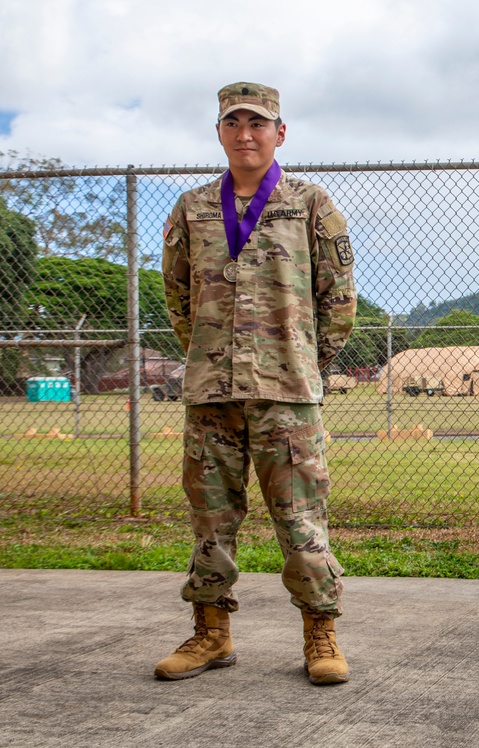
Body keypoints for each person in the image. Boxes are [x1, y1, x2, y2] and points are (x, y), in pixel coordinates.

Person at [156, 82, 357, 685]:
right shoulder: (191, 207)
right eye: (233, 122)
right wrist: (210, 353)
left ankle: (321, 635)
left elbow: (338, 299)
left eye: (258, 123)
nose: (246, 133)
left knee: (300, 522)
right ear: (219, 131)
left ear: (280, 132)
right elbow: (177, 297)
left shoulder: (311, 203)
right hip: (212, 395)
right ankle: (211, 634)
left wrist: (302, 363)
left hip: (288, 396)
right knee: (210, 522)